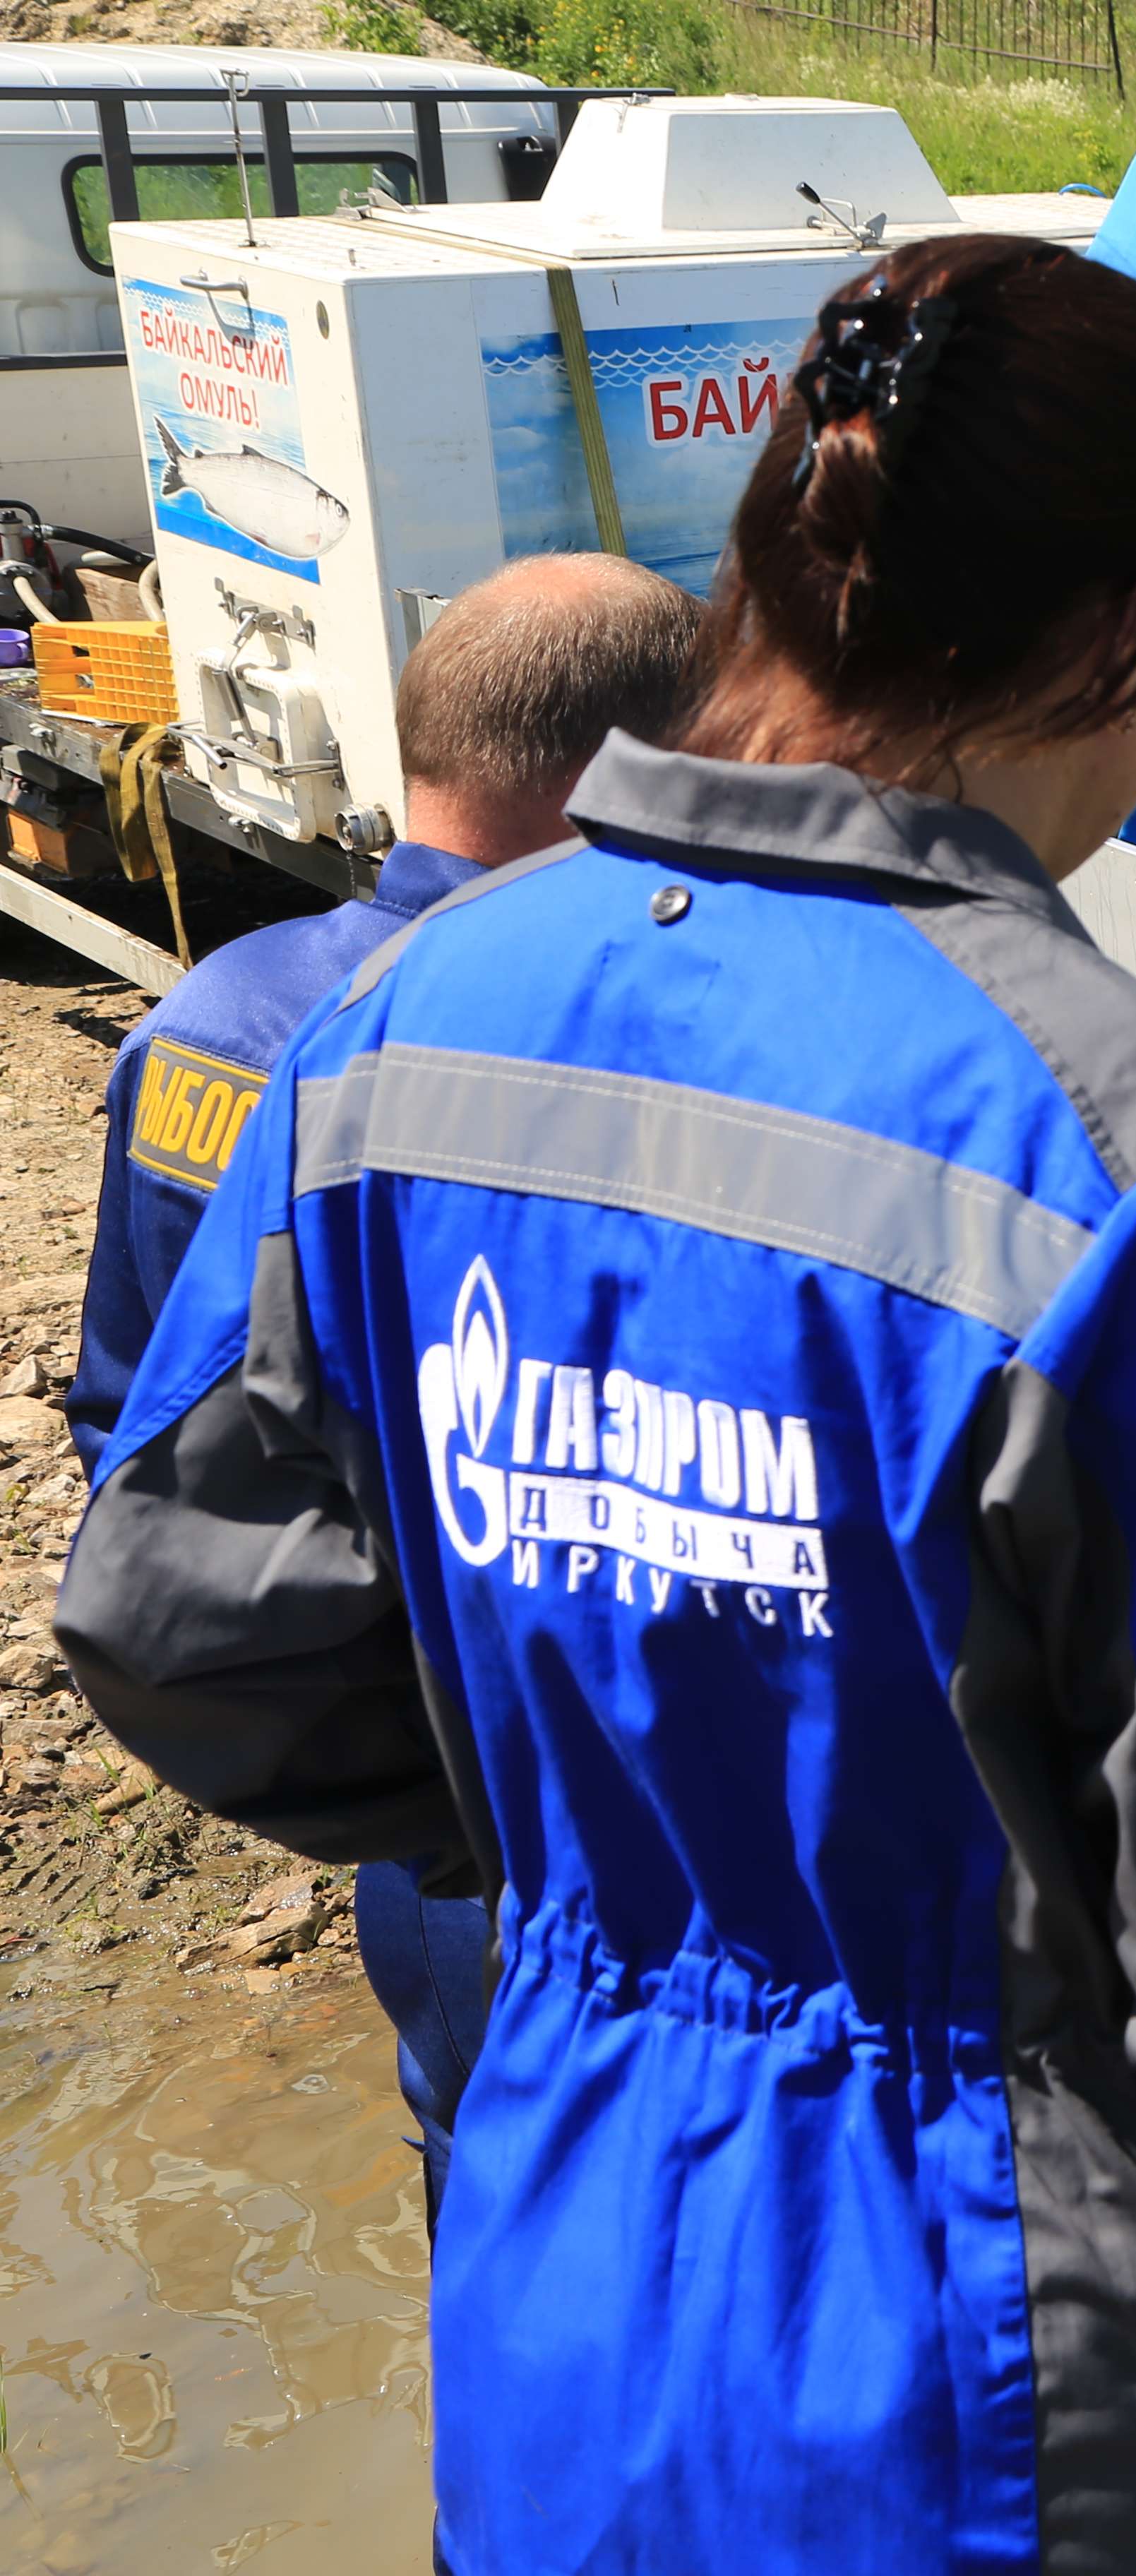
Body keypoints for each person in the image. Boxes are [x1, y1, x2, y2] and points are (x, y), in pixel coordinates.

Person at [61, 236, 1136, 2576]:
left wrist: (603, 1836)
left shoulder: (400, 1030)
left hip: (557, 2296)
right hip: (1019, 2381)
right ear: (1114, 643)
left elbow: (182, 1609)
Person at [66, 549, 703, 2235]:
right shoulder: (602, 1039)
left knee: (480, 2194)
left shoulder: (209, 1024)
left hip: (409, 1815)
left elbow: (129, 1449)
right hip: (620, 1809)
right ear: (656, 770)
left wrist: (405, 1792)